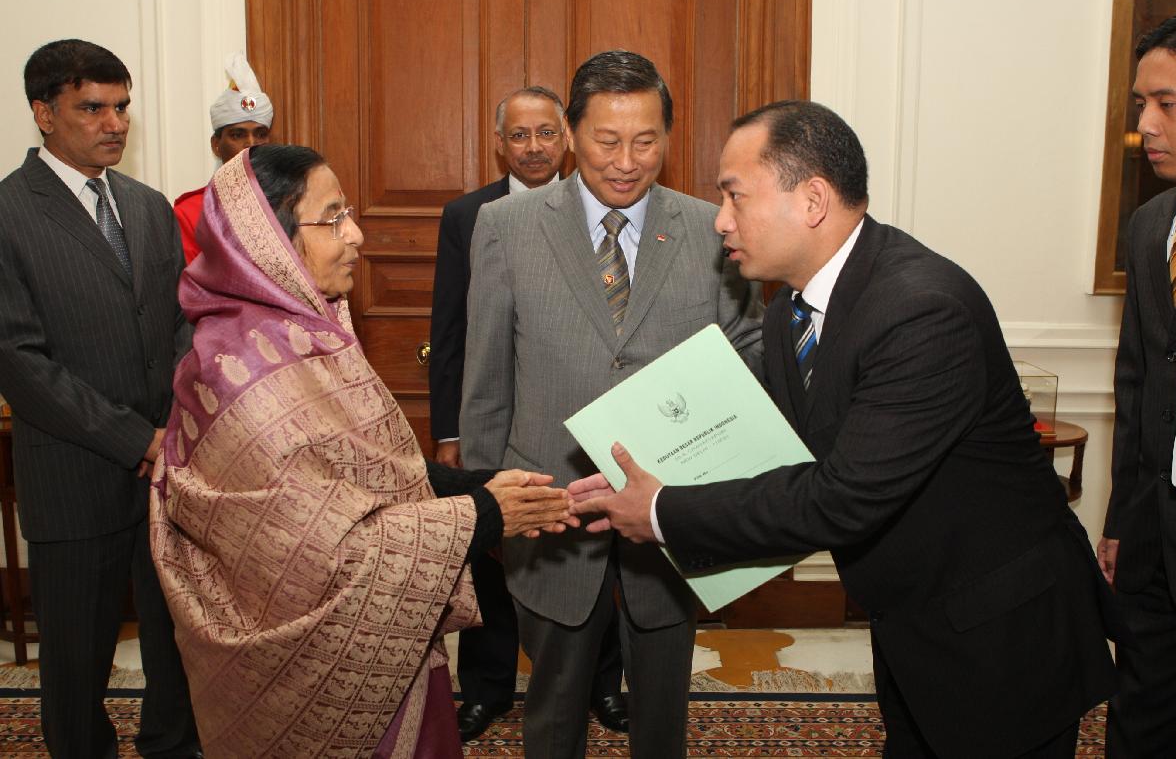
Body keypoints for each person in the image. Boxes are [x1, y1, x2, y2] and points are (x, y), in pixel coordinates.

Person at [570, 100, 1121, 759]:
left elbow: (841, 497)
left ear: (811, 200)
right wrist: (641, 474)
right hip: (912, 618)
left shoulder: (922, 310)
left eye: (735, 196)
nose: (720, 220)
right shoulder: (790, 311)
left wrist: (662, 512)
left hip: (1000, 633)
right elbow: (764, 445)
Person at [149, 144, 573, 757]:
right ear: (267, 241)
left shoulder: (306, 334)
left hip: (384, 640)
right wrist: (484, 514)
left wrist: (483, 487)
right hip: (312, 676)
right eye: (332, 218)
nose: (356, 234)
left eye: (348, 212)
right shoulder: (240, 371)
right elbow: (323, 551)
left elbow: (367, 473)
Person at [461, 50, 763, 758]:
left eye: (646, 141)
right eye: (607, 141)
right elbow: (486, 383)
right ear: (571, 133)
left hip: (671, 512)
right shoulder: (506, 226)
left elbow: (745, 358)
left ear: (669, 137)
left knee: (662, 711)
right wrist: (489, 507)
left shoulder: (711, 229)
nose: (627, 163)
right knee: (553, 707)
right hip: (551, 512)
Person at [0, 39, 200, 757]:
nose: (114, 123)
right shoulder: (8, 213)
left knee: (175, 643)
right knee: (77, 662)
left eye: (122, 107)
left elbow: (181, 322)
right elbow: (20, 363)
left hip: (167, 473)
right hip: (74, 478)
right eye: (92, 108)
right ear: (43, 113)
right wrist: (134, 438)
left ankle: (171, 746)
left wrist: (179, 426)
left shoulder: (146, 207)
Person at [430, 86, 629, 740]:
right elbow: (452, 330)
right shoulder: (468, 216)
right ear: (499, 143)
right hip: (504, 422)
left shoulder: (603, 209)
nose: (534, 147)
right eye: (520, 135)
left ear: (566, 138)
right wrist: (452, 432)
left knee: (598, 563)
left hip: (589, 425)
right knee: (495, 558)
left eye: (546, 133)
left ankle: (603, 686)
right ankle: (486, 689)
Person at [1096, 10, 1176, 758]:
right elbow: (1137, 381)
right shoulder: (1150, 225)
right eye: (1140, 104)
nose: (1145, 124)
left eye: (1167, 104)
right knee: (1140, 725)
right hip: (1150, 542)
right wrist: (1120, 520)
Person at [173, 51, 272, 264]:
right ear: (216, 145)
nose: (251, 144)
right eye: (238, 135)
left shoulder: (289, 203)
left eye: (260, 134)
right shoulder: (190, 212)